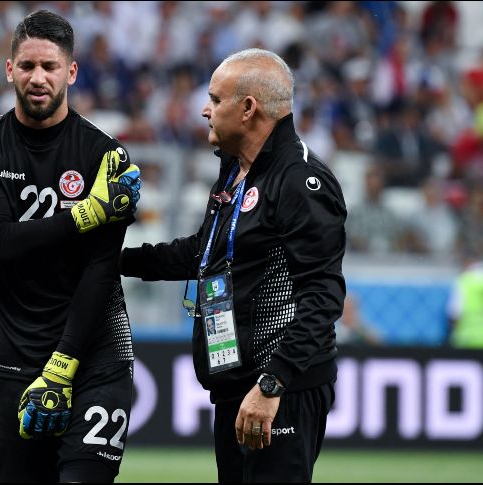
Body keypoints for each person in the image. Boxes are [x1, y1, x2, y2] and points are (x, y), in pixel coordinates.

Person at [120, 48, 347, 482]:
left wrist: (272, 384)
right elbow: (202, 251)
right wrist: (116, 260)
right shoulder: (235, 170)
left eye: (215, 99)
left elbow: (323, 295)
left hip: (279, 386)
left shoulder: (300, 181)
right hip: (236, 382)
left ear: (248, 109)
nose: (205, 110)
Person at [0, 10, 141, 483]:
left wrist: (64, 364)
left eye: (50, 67)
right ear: (9, 68)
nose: (39, 78)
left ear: (71, 72)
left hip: (95, 357)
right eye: (28, 65)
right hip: (15, 360)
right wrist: (87, 214)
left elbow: (101, 269)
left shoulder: (105, 156)